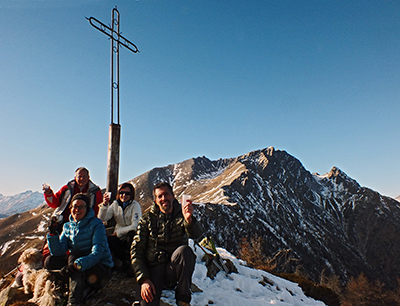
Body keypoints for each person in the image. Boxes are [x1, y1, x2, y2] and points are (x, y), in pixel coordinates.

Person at [130, 182, 203, 306]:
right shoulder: (147, 219)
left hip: (172, 269)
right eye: (160, 196)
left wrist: (189, 220)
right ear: (155, 200)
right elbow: (136, 250)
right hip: (153, 268)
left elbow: (196, 235)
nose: (164, 198)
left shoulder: (182, 215)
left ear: (173, 196)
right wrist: (144, 279)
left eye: (166, 194)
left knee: (185, 252)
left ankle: (183, 300)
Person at [45, 193, 113, 306]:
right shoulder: (68, 226)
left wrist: (76, 265)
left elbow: (98, 253)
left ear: (87, 209)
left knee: (74, 257)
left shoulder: (96, 224)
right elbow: (58, 251)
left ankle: (74, 301)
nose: (77, 210)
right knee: (50, 261)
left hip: (99, 269)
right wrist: (52, 234)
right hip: (78, 266)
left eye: (81, 207)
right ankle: (80, 285)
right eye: (74, 206)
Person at [98, 182, 142, 272]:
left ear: (131, 194)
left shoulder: (135, 206)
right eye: (122, 193)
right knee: (110, 240)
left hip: (129, 235)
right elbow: (103, 218)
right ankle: (125, 261)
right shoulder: (115, 204)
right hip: (119, 237)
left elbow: (135, 225)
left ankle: (132, 263)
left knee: (131, 235)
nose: (124, 195)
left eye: (127, 193)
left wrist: (118, 232)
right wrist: (105, 205)